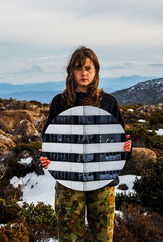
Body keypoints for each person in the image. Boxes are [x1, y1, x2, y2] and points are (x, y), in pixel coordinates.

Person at [40, 46, 132, 242]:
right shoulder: (60, 102)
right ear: (71, 71)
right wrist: (46, 159)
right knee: (69, 237)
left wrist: (125, 151)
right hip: (69, 181)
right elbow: (50, 140)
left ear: (96, 71)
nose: (84, 73)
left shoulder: (108, 102)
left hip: (103, 180)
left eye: (88, 68)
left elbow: (120, 141)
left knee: (103, 238)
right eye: (79, 68)